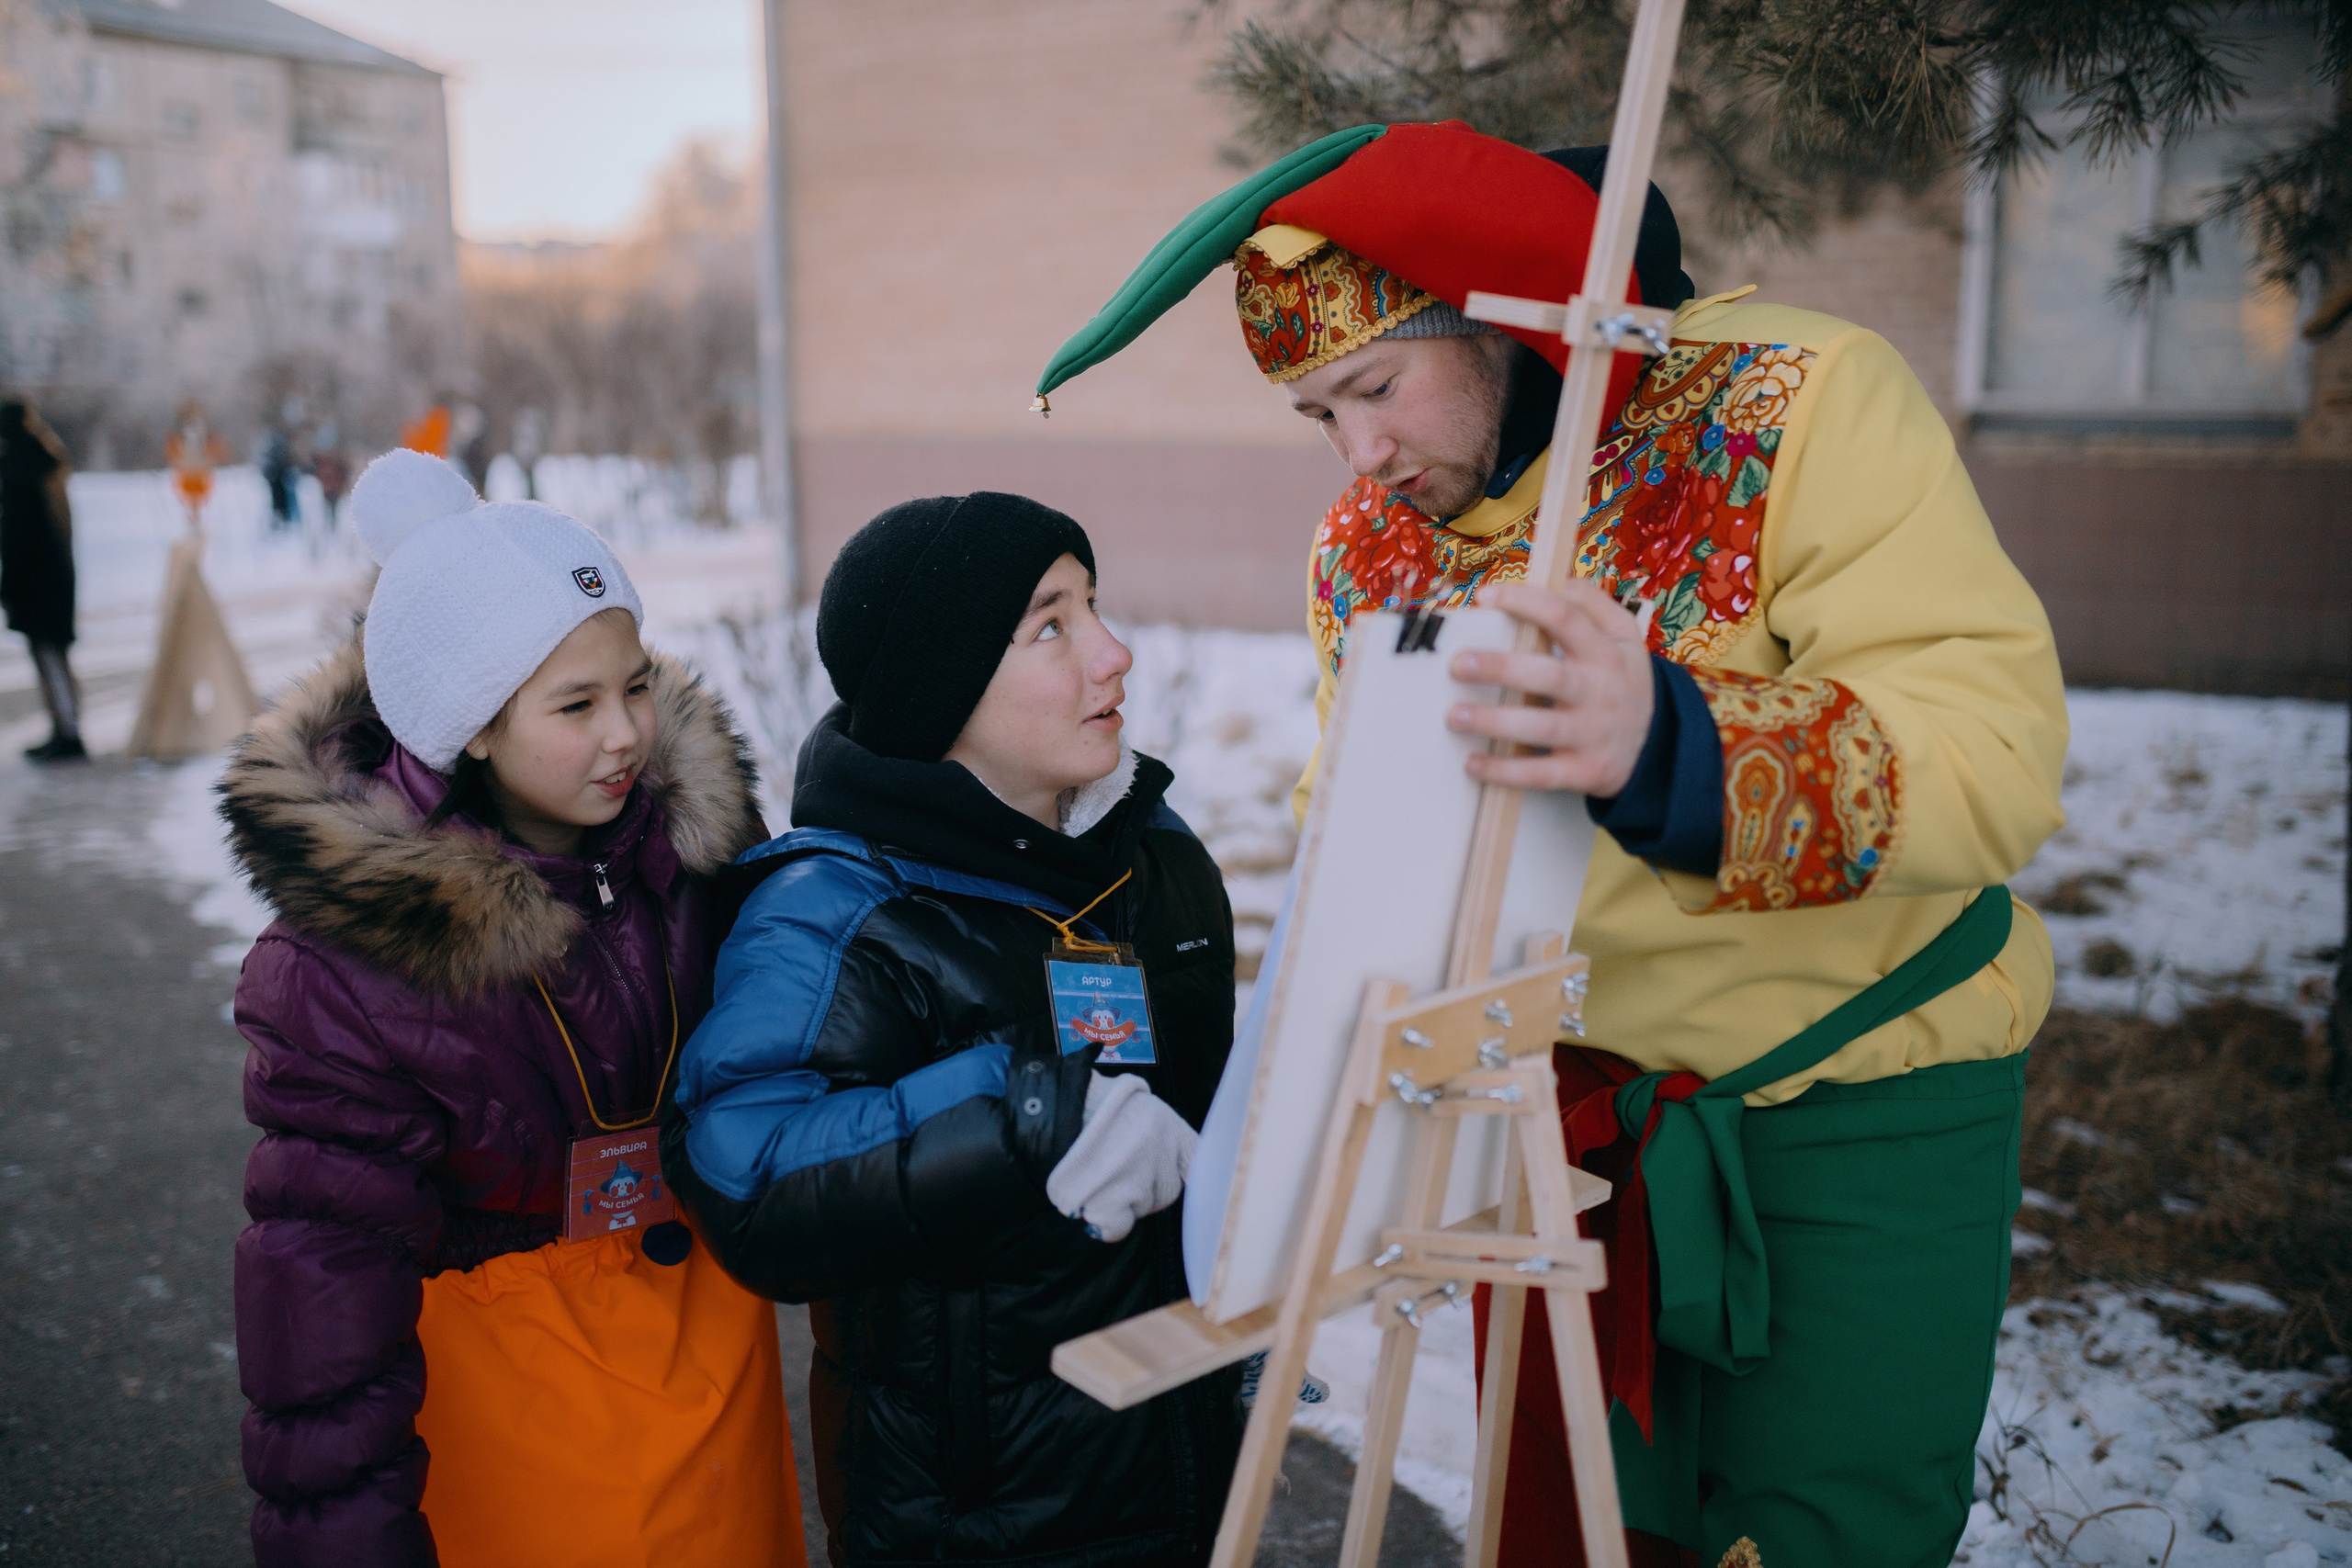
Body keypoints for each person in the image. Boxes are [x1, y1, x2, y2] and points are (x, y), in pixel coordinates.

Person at [1037, 122, 2067, 1568]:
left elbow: (1995, 749)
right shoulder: (1372, 546)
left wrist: (1674, 741)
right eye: (1319, 414)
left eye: (1377, 386)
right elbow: (1360, 838)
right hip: (1553, 1129)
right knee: (1587, 1536)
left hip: (1851, 1109)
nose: (1361, 455)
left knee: (1821, 1534)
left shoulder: (1799, 402)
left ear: (1504, 317)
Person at [220, 449, 802, 1567]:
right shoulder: (347, 970)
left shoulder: (695, 858)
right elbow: (323, 1296)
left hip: (708, 1365)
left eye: (635, 683)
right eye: (576, 704)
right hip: (508, 1405)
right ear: (468, 726)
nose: (627, 732)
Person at [665, 492, 1244, 1568]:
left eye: (1095, 606)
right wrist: (1021, 1112)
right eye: (1051, 626)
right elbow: (744, 1170)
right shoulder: (835, 910)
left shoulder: (1155, 864)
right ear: (942, 693)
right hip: (979, 1518)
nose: (1114, 654)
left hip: (1186, 1465)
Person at [0, 399, 83, 762]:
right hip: (55, 576)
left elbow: (17, 535)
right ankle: (64, 728)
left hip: (38, 581)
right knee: (54, 656)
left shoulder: (20, 469)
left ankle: (68, 733)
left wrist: (9, 583)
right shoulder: (44, 460)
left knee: (49, 656)